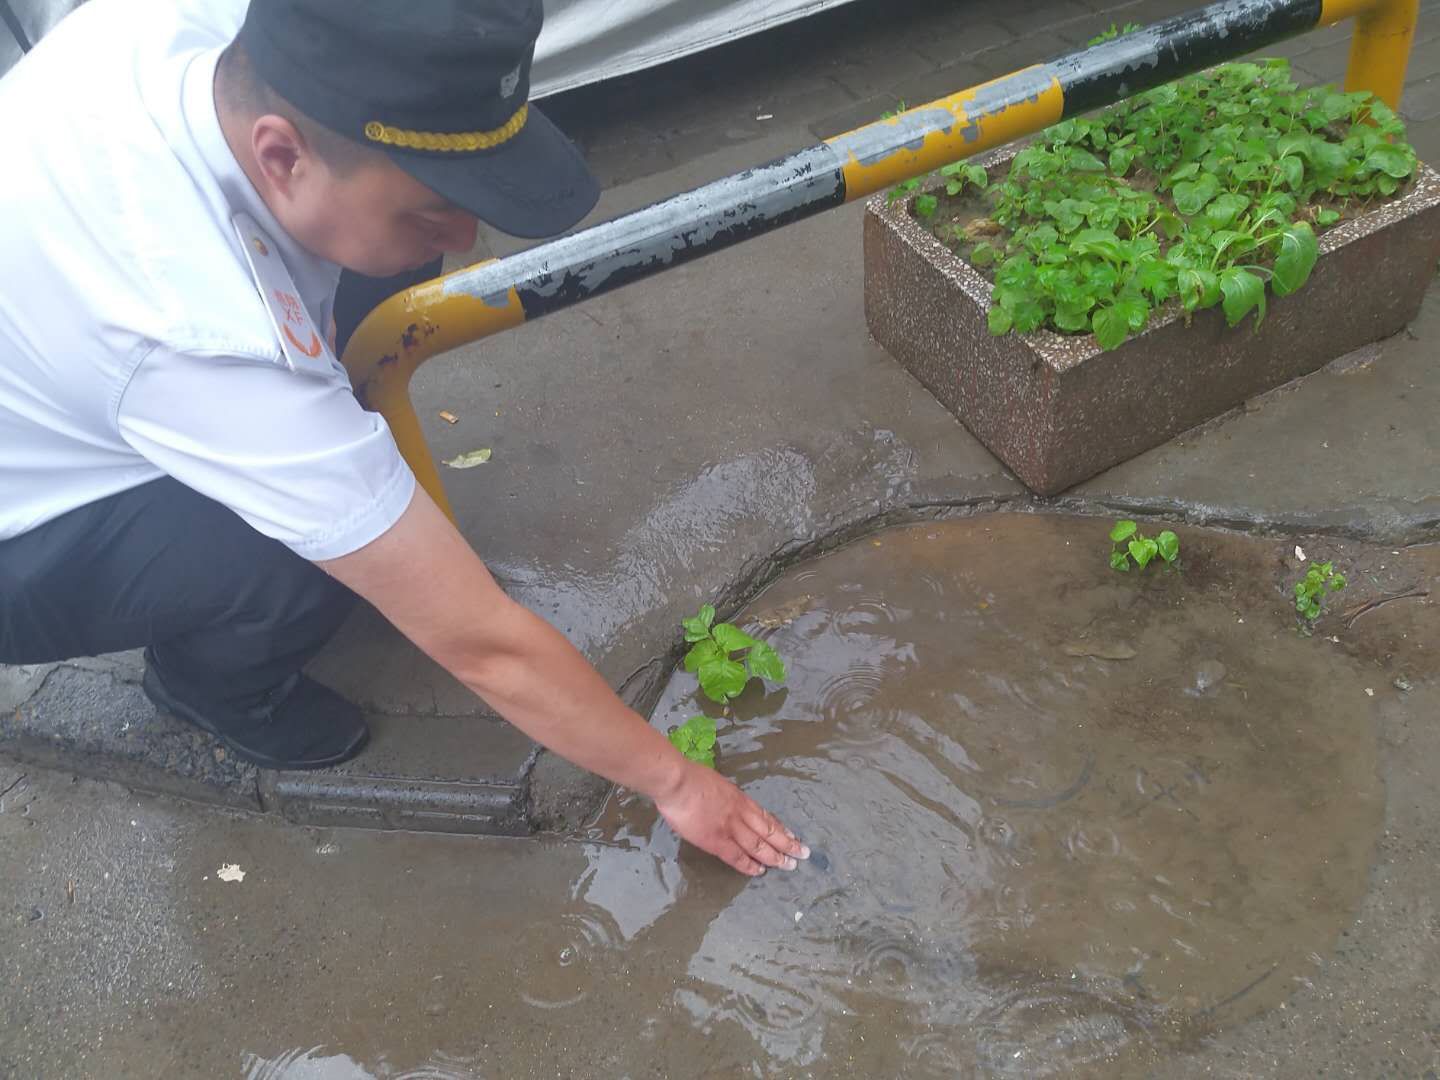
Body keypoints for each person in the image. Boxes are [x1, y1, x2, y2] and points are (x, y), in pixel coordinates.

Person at [0, 0, 808, 877]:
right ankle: (209, 685)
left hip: (57, 373)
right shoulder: (199, 333)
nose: (466, 239)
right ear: (281, 154)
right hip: (23, 532)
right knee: (300, 555)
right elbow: (482, 642)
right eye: (433, 210)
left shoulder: (209, 29)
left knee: (392, 261)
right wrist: (679, 783)